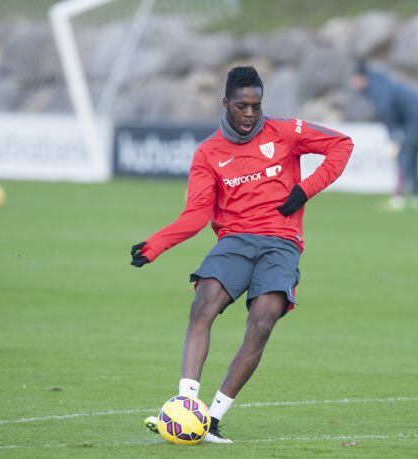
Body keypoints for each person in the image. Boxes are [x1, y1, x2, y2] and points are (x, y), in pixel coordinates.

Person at [131, 66, 353, 442]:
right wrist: (155, 245)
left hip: (281, 242)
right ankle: (187, 407)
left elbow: (341, 143)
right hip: (234, 241)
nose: (250, 114)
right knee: (204, 303)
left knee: (263, 321)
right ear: (226, 104)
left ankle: (213, 419)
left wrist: (305, 189)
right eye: (241, 106)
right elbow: (197, 215)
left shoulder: (284, 132)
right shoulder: (208, 154)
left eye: (256, 105)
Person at [349, 61, 418, 211]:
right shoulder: (380, 83)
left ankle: (398, 197)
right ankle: (416, 197)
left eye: (354, 79)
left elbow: (386, 111)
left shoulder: (376, 88)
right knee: (411, 154)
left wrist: (393, 137)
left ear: (361, 78)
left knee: (403, 154)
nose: (352, 83)